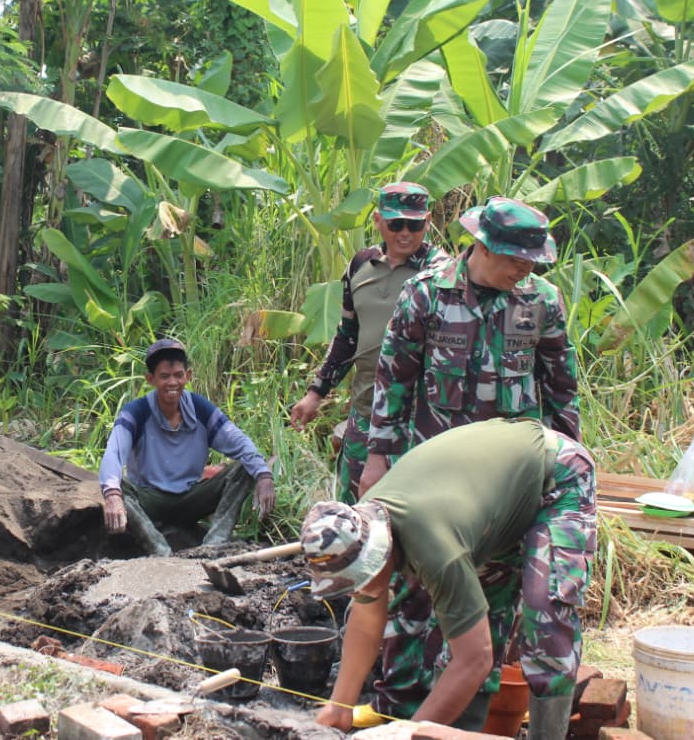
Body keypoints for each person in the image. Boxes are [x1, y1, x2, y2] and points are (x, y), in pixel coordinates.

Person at [364, 195, 582, 718]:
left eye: (532, 262)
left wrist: (564, 472)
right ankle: (398, 710)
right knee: (415, 598)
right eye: (514, 259)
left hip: (507, 484)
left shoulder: (540, 300)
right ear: (481, 246)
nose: (523, 270)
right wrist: (378, 456)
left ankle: (468, 719)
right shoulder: (426, 296)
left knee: (493, 603)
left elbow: (561, 388)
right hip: (435, 479)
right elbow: (395, 378)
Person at [300, 418, 596, 739]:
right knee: (470, 629)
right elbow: (367, 615)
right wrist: (340, 706)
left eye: (363, 574)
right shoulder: (367, 523)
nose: (364, 585)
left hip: (555, 473)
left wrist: (407, 732)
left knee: (544, 617)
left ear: (378, 550)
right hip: (486, 506)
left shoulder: (435, 549)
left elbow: (475, 658)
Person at [289, 182, 448, 504]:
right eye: (396, 224)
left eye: (415, 225)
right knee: (356, 502)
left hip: (421, 414)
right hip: (366, 407)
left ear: (428, 222)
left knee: (414, 504)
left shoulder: (443, 273)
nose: (405, 233)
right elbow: (348, 335)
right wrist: (315, 393)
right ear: (378, 221)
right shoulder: (360, 265)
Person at [99, 339, 277, 556]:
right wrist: (112, 496)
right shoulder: (136, 412)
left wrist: (264, 476)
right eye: (164, 376)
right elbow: (113, 454)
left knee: (245, 467)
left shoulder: (201, 409)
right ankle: (159, 549)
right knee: (120, 486)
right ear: (150, 379)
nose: (172, 382)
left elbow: (240, 443)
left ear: (188, 376)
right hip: (150, 500)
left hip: (190, 497)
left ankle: (214, 544)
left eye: (178, 375)